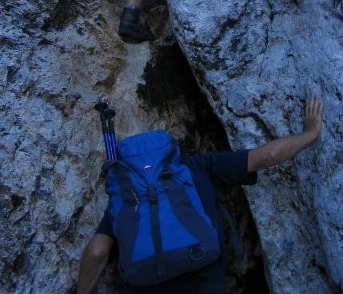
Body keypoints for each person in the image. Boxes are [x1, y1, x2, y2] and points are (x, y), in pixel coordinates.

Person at [75, 95, 324, 293]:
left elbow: (97, 251)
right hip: (205, 282)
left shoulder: (127, 193)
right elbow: (267, 156)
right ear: (172, 152)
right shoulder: (199, 167)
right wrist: (309, 134)